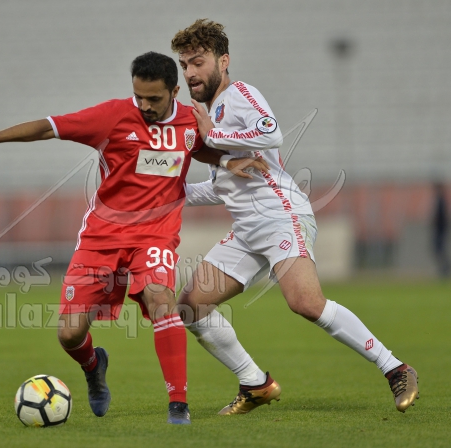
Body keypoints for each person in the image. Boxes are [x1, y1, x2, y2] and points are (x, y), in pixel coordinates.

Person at [0, 51, 267, 424]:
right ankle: (93, 366)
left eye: (153, 98)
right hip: (102, 236)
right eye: (139, 96)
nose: (144, 105)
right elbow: (49, 127)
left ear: (174, 91)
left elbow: (200, 149)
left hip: (155, 235)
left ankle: (178, 405)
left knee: (162, 301)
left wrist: (227, 160)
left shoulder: (189, 120)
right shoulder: (113, 116)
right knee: (69, 334)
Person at [172, 19, 419, 415]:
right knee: (191, 305)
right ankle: (255, 383)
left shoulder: (239, 95)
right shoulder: (212, 111)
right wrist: (165, 192)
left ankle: (396, 368)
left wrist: (212, 137)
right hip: (247, 230)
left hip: (280, 215)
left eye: (198, 62)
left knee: (305, 302)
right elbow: (222, 187)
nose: (190, 73)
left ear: (224, 60)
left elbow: (271, 132)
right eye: (184, 65)